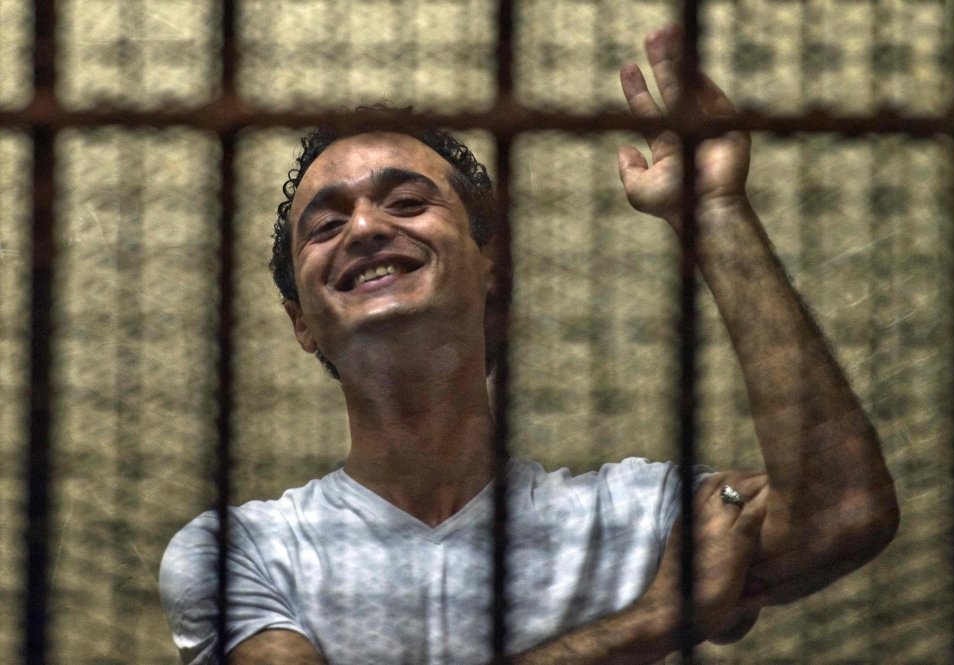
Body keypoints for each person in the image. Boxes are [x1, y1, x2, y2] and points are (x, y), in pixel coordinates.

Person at [159, 24, 899, 664]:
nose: (363, 228)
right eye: (325, 225)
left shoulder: (634, 516)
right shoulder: (239, 551)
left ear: (490, 268)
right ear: (300, 320)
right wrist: (652, 621)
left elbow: (842, 515)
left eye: (408, 202)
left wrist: (715, 212)